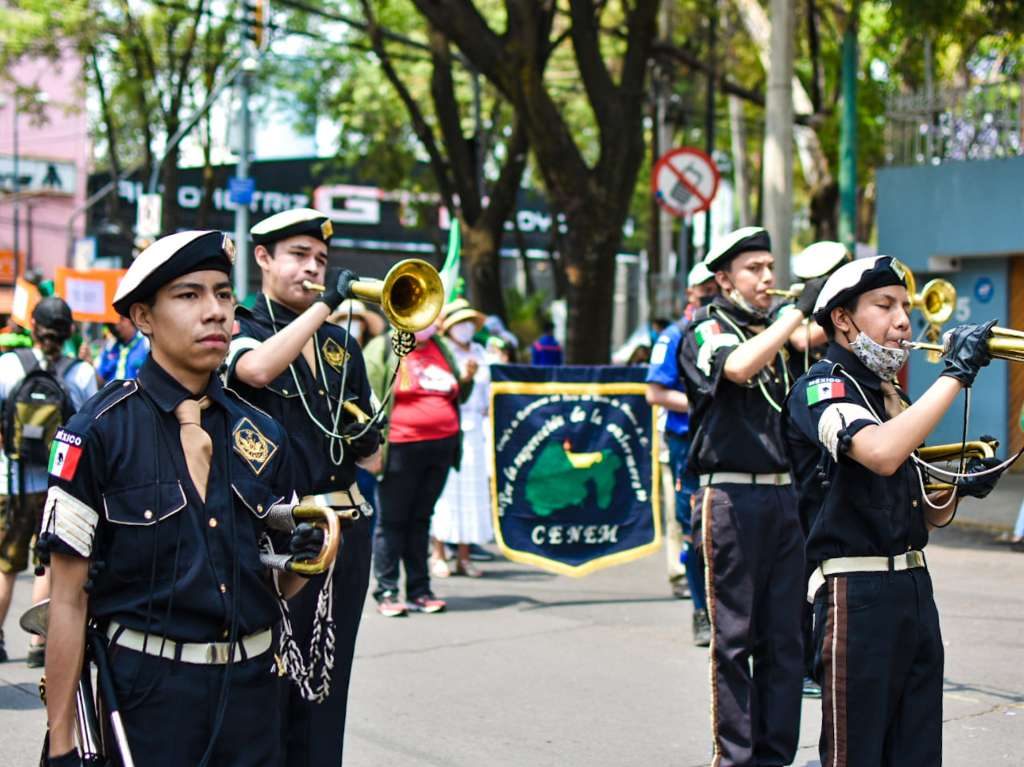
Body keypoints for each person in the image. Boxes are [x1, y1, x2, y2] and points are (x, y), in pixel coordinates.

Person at [40, 230, 320, 767]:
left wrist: (303, 562)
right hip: (148, 697)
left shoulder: (261, 434)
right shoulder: (96, 433)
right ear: (143, 316)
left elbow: (278, 584)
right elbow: (68, 601)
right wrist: (61, 742)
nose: (214, 312)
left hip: (254, 694)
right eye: (189, 296)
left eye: (221, 295)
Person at [784, 256, 1002, 767]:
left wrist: (961, 488)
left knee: (918, 752)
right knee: (856, 754)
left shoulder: (892, 395)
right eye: (885, 306)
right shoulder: (824, 386)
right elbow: (880, 454)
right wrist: (955, 374)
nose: (904, 319)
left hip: (913, 588)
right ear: (843, 318)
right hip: (854, 595)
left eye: (905, 305)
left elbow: (927, 515)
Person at [225, 208, 380, 767]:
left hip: (349, 531)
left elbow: (376, 462)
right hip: (281, 533)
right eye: (298, 255)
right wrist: (322, 306)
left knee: (328, 681)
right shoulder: (241, 326)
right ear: (263, 258)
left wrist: (368, 434)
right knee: (275, 677)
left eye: (321, 259)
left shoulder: (343, 346)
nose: (313, 268)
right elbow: (257, 372)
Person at [678, 226, 827, 767]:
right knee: (735, 641)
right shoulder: (705, 327)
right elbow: (738, 367)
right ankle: (735, 760)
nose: (768, 278)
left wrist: (829, 298)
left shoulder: (774, 331)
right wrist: (794, 314)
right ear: (724, 279)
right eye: (754, 269)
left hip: (786, 496)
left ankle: (775, 756)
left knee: (787, 640)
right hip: (732, 499)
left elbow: (810, 343)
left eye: (770, 267)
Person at [0, 297, 97, 666]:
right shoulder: (81, 372)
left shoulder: (8, 365)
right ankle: (39, 642)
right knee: (51, 564)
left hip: (11, 480)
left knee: (6, 567)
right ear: (70, 331)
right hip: (62, 487)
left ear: (33, 326)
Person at [363, 316, 475, 616]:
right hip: (401, 447)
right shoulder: (384, 346)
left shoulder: (441, 347)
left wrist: (467, 380)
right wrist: (370, 448)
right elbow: (365, 397)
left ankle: (419, 591)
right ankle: (386, 590)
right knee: (393, 521)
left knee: (421, 519)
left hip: (441, 447)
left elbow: (456, 395)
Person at [645, 262, 717, 645]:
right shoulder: (675, 335)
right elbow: (654, 392)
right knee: (695, 532)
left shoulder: (730, 333)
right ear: (690, 293)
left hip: (726, 444)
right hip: (687, 444)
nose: (709, 293)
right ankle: (700, 611)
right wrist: (700, 405)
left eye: (715, 286)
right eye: (703, 288)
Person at [430, 299, 491, 578]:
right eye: (459, 323)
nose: (465, 328)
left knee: (473, 492)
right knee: (447, 492)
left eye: (468, 323)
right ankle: (438, 552)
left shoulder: (481, 351)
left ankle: (464, 556)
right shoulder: (443, 353)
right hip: (450, 426)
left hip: (477, 430)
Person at [91, 315, 150, 384]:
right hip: (112, 394)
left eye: (114, 323)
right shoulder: (109, 347)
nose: (113, 329)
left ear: (126, 319)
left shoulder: (146, 343)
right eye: (109, 325)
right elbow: (100, 381)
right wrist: (90, 363)